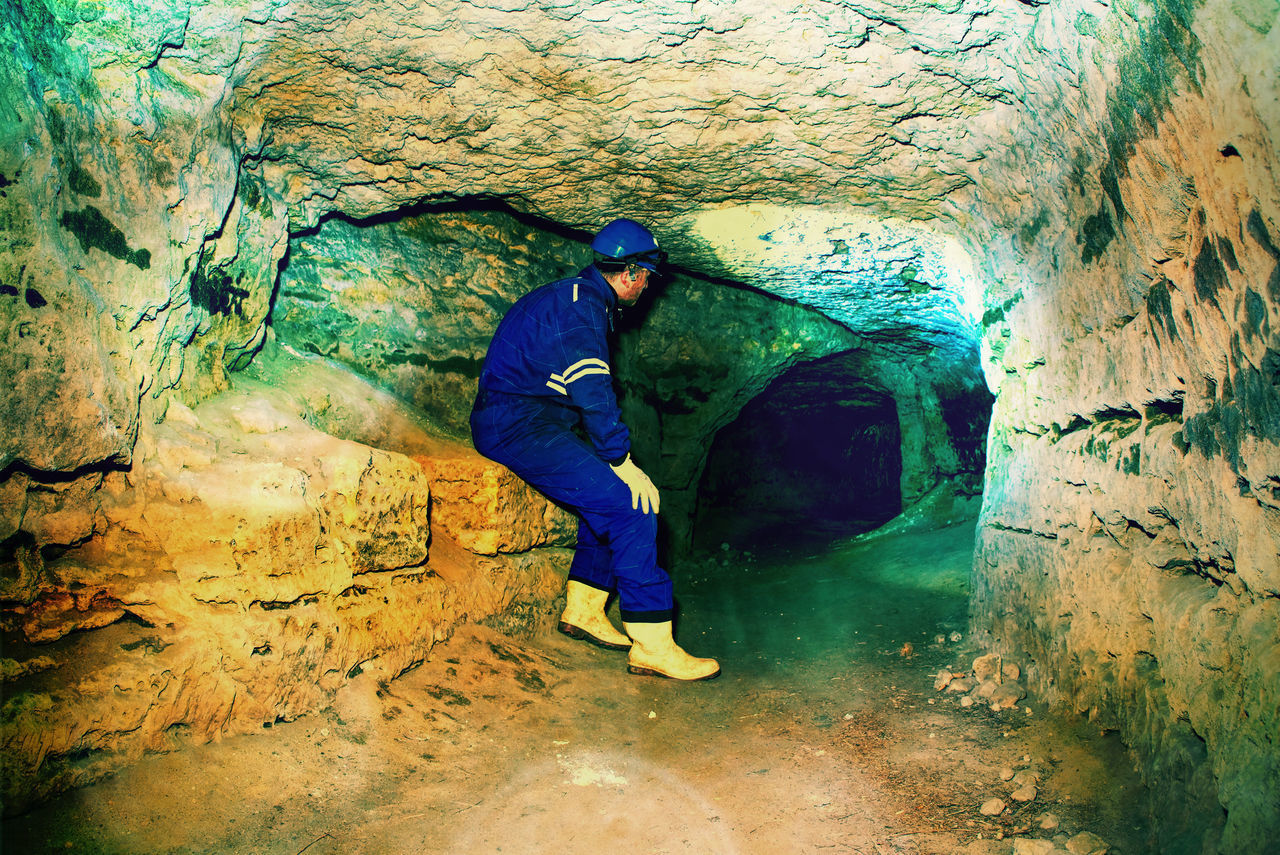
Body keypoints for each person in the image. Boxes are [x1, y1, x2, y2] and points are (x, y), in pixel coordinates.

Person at [469, 219, 720, 681]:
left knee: (603, 500)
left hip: (526, 418)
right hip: (517, 424)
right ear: (630, 274)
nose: (646, 288)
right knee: (633, 506)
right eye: (647, 278)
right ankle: (653, 644)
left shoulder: (573, 296)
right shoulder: (582, 308)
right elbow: (592, 389)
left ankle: (584, 609)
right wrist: (622, 461)